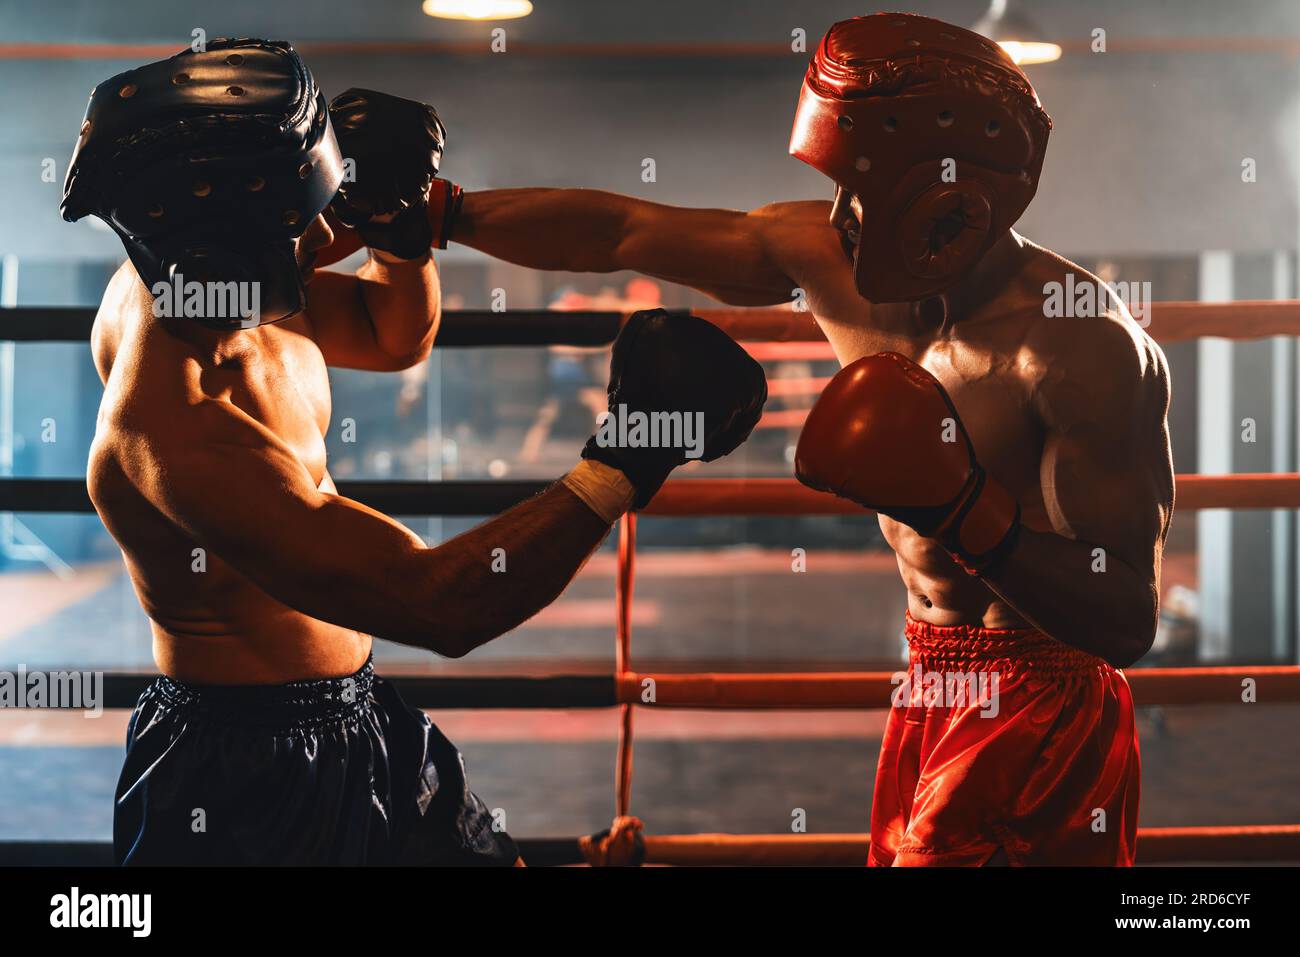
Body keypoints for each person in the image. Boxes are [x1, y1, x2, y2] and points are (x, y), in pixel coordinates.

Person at [369, 12, 1172, 865]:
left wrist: (966, 507)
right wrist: (440, 215)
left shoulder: (1082, 347)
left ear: (946, 199)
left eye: (866, 190)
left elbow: (1126, 620)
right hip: (928, 678)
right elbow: (623, 233)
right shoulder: (833, 256)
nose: (841, 215)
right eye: (838, 183)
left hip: (1042, 706)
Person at [61, 38, 767, 865]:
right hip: (246, 775)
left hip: (362, 714)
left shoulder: (216, 289)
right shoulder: (176, 432)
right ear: (222, 242)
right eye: (302, 220)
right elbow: (441, 605)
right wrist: (623, 462)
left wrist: (399, 234)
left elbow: (392, 335)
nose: (327, 232)